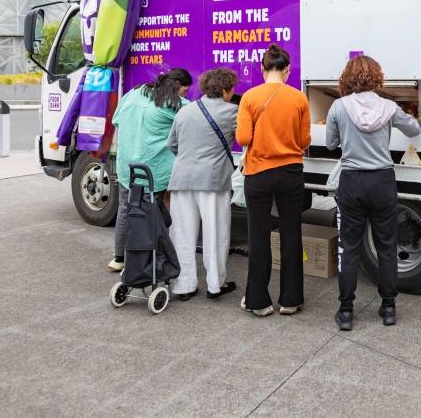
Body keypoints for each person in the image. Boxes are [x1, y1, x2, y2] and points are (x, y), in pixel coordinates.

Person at [326, 55, 421, 331]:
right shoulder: (388, 107)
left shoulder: (338, 106)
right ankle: (389, 307)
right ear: (376, 78)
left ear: (348, 77)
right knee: (387, 245)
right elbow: (414, 129)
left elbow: (331, 143)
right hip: (382, 181)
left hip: (352, 181)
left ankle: (346, 311)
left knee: (349, 247)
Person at [236, 44, 310, 317]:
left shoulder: (250, 97)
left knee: (259, 236)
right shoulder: (299, 98)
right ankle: (291, 299)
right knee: (291, 234)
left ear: (262, 69)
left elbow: (243, 138)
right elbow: (304, 141)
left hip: (258, 173)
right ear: (287, 70)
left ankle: (258, 301)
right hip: (291, 172)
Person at [108, 68, 192, 272]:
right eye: (185, 91)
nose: (185, 95)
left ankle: (119, 258)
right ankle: (149, 261)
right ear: (178, 86)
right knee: (151, 215)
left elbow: (116, 120)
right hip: (153, 169)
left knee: (125, 208)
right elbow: (196, 117)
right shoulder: (173, 103)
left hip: (127, 166)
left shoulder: (134, 92)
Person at [168, 68, 239, 301]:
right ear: (225, 89)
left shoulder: (185, 111)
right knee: (215, 232)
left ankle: (184, 285)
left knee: (182, 234)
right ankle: (215, 284)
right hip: (213, 180)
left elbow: (172, 144)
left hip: (181, 179)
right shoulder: (232, 112)